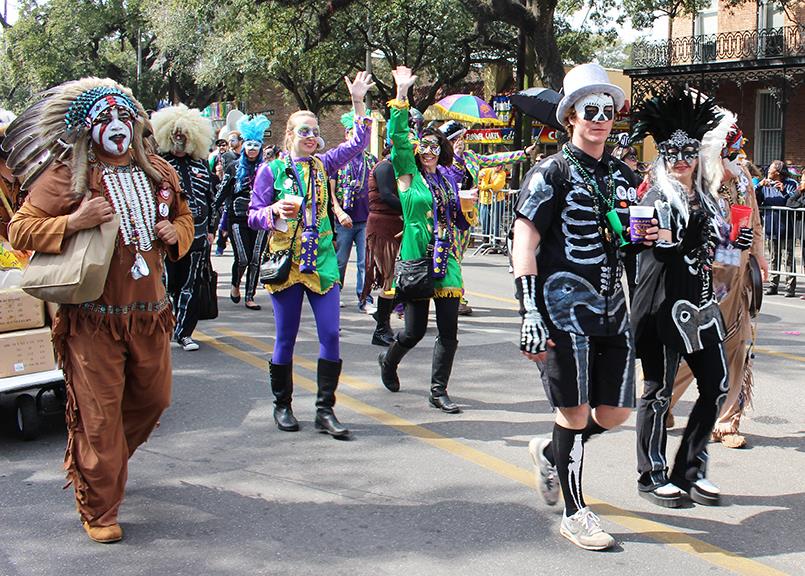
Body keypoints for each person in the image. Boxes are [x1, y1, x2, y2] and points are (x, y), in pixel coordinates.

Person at [6, 78, 194, 543]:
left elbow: (185, 217)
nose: (116, 126)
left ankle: (102, 465)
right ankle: (99, 505)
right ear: (86, 128)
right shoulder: (68, 174)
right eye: (104, 118)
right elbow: (21, 230)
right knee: (100, 417)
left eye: (123, 117)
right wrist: (74, 221)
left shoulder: (158, 173)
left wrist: (177, 234)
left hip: (150, 315)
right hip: (92, 321)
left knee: (154, 399)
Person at [511, 63, 649, 550]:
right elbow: (524, 241)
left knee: (613, 413)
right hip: (562, 306)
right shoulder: (550, 172)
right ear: (570, 115)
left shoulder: (623, 175)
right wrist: (529, 311)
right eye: (590, 110)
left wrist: (648, 237)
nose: (599, 119)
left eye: (607, 111)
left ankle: (552, 452)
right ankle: (575, 514)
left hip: (613, 308)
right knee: (573, 411)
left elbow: (632, 241)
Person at [630, 89, 750, 509]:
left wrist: (736, 246)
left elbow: (715, 256)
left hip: (699, 306)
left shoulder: (710, 199)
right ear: (662, 156)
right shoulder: (655, 198)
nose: (681, 160)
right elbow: (654, 250)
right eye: (672, 152)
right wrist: (670, 240)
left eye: (688, 152)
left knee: (716, 384)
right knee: (658, 391)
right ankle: (651, 474)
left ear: (698, 155)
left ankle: (690, 468)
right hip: (662, 306)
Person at [248, 70, 375, 438]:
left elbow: (358, 144)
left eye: (316, 131)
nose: (312, 136)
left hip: (322, 262)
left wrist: (357, 102)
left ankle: (324, 409)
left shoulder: (324, 165)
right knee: (285, 337)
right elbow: (253, 215)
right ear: (290, 135)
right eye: (305, 131)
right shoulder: (271, 171)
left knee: (331, 334)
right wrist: (274, 211)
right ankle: (282, 404)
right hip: (287, 262)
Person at [378, 66, 475, 414]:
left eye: (436, 146)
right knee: (414, 332)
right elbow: (398, 137)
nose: (430, 152)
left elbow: (458, 221)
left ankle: (438, 390)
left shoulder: (447, 179)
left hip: (446, 260)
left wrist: (468, 205)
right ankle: (389, 360)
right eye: (425, 146)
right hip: (418, 257)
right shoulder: (408, 176)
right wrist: (402, 95)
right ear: (417, 151)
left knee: (449, 331)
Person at [668, 122, 768, 449]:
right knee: (696, 344)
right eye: (729, 151)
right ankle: (662, 400)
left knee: (737, 345)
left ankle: (726, 422)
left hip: (738, 275)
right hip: (704, 276)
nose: (736, 156)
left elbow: (753, 219)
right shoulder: (693, 179)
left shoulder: (741, 175)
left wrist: (759, 255)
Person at [440, 120, 536, 315]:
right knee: (453, 257)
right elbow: (450, 180)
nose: (461, 142)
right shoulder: (441, 160)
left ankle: (450, 295)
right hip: (448, 216)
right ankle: (456, 298)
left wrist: (524, 153)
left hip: (467, 215)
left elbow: (495, 159)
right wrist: (456, 157)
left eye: (462, 138)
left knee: (457, 258)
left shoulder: (471, 157)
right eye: (456, 139)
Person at [151, 104, 216, 351]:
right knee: (168, 284)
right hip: (168, 235)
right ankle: (166, 326)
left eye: (184, 135)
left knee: (192, 285)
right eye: (175, 134)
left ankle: (184, 333)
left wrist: (211, 229)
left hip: (198, 234)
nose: (179, 139)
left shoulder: (201, 165)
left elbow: (210, 199)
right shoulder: (158, 165)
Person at [362, 115, 423, 347]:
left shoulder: (402, 169)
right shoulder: (386, 166)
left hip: (397, 226)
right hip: (383, 228)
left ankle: (384, 318)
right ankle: (381, 329)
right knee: (389, 277)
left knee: (397, 277)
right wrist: (412, 211)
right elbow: (387, 196)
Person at [217, 115, 271, 310]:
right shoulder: (234, 167)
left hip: (260, 218)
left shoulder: (267, 169)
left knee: (255, 259)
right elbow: (222, 193)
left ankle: (249, 296)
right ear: (244, 146)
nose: (252, 149)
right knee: (243, 258)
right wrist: (214, 220)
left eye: (256, 145)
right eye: (249, 145)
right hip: (237, 218)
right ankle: (235, 284)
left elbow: (274, 193)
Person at [330, 109, 378, 313]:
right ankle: (334, 295)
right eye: (352, 132)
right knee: (340, 261)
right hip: (344, 220)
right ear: (346, 134)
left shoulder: (372, 160)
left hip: (366, 219)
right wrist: (339, 212)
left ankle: (365, 297)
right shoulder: (338, 160)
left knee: (365, 262)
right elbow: (330, 192)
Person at [756, 159, 798, 296]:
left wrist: (784, 191)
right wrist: (759, 187)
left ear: (778, 172)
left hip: (787, 227)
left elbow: (794, 201)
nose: (768, 171)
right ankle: (773, 285)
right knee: (774, 257)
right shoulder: (765, 184)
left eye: (771, 170)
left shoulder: (791, 184)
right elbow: (757, 201)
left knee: (788, 257)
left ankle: (790, 286)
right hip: (771, 226)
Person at [477, 164, 507, 237]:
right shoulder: (486, 170)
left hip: (498, 200)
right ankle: (485, 237)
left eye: (500, 165)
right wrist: (480, 176)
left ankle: (496, 239)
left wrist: (483, 187)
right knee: (484, 220)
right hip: (484, 200)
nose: (498, 167)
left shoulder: (502, 174)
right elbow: (477, 176)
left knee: (496, 221)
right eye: (497, 164)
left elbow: (496, 186)